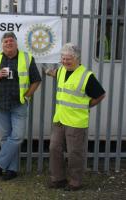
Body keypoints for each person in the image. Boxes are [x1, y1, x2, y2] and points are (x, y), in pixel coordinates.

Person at [45, 43, 105, 191]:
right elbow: (56, 74)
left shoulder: (86, 76)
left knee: (75, 153)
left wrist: (86, 105)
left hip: (76, 122)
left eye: (68, 59)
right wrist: (48, 71)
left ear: (77, 59)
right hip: (59, 119)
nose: (65, 62)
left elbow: (100, 94)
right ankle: (58, 179)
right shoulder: (61, 71)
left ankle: (75, 182)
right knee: (54, 148)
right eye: (63, 58)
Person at [0, 32, 41, 180]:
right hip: (1, 104)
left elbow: (36, 80)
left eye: (11, 41)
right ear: (2, 45)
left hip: (19, 104)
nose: (8, 43)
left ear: (16, 43)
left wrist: (27, 95)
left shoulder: (27, 58)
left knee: (17, 136)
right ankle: (11, 170)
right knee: (4, 138)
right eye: (5, 42)